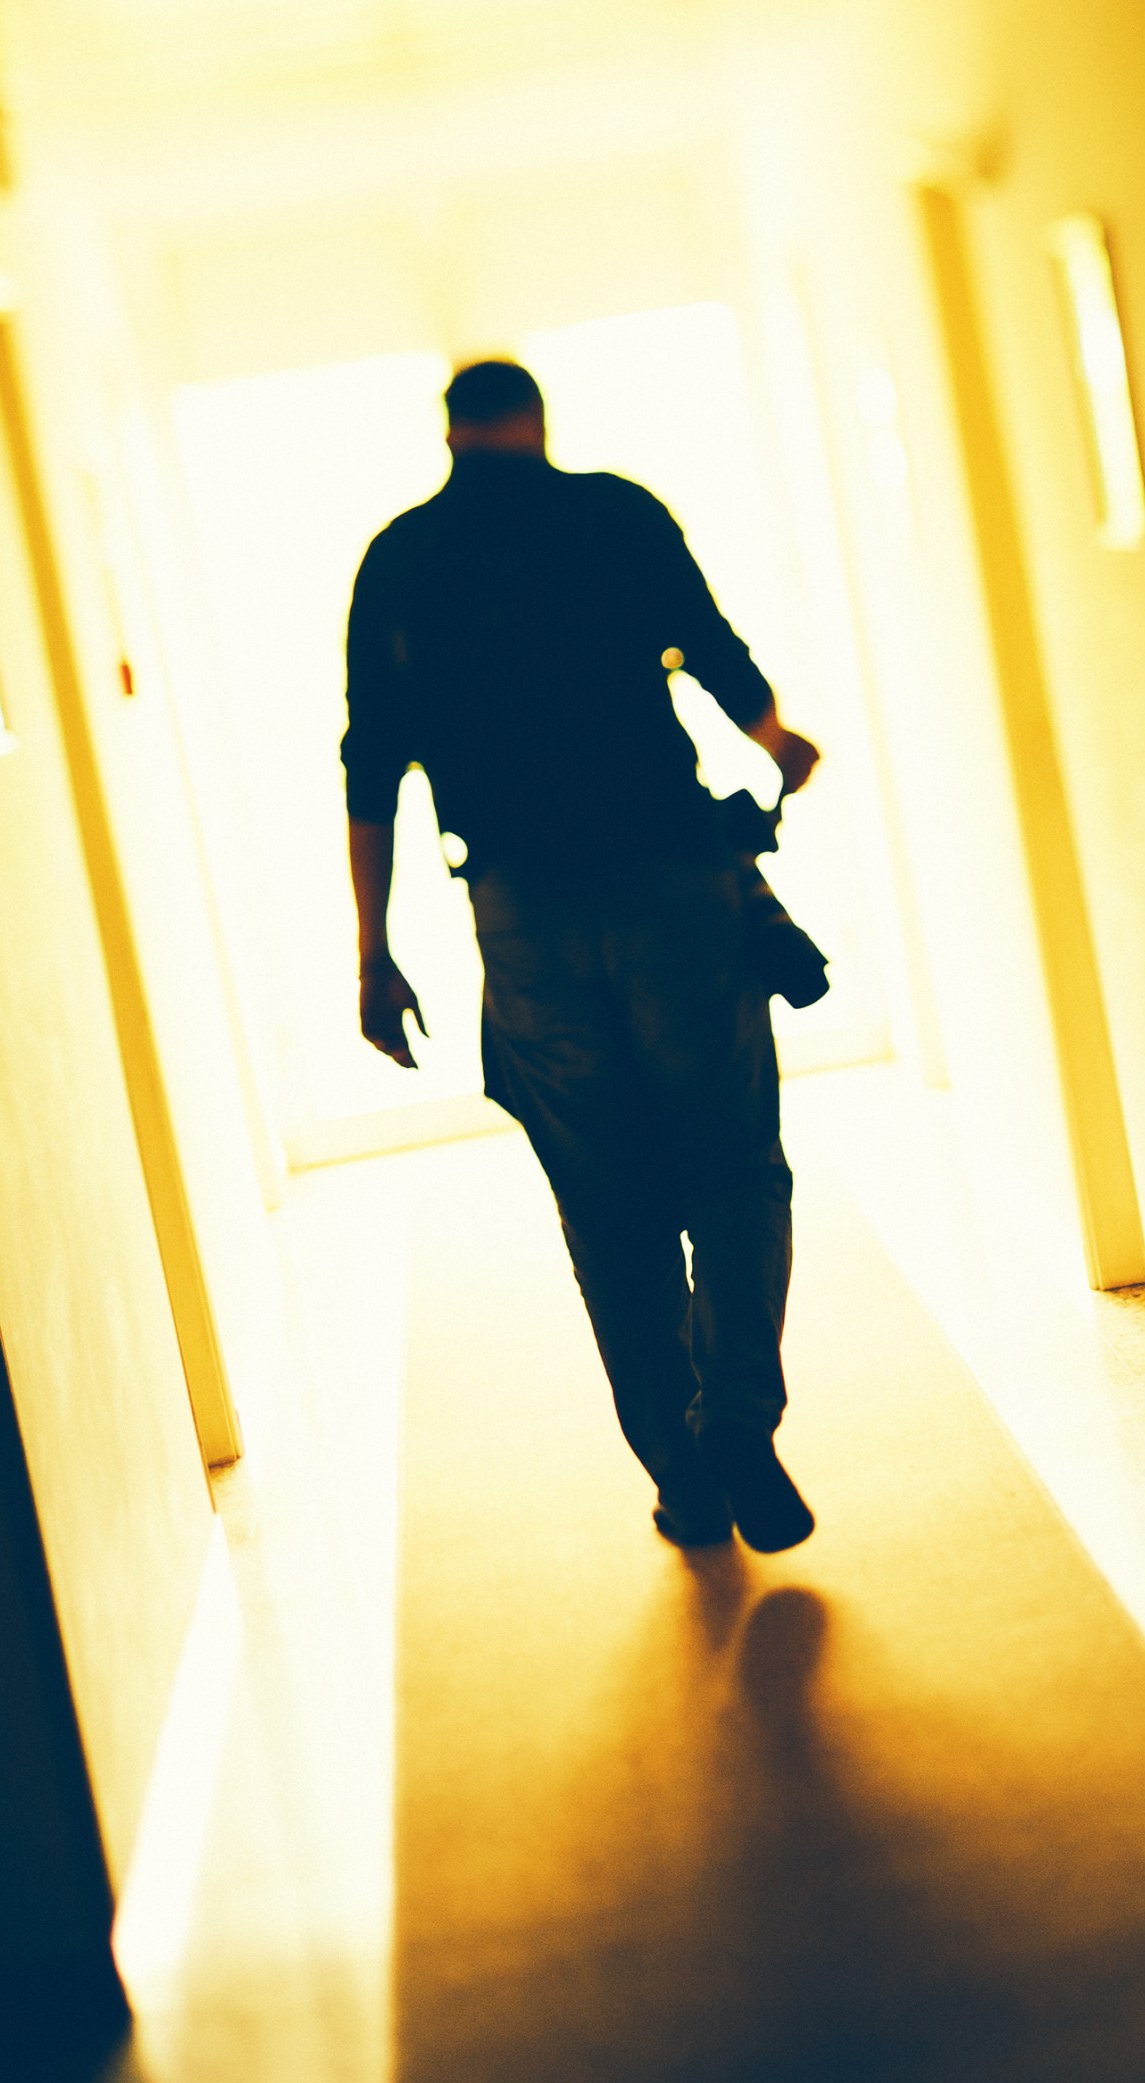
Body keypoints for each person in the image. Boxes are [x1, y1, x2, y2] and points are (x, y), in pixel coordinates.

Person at [340, 357, 823, 1552]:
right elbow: (711, 649)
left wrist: (373, 948)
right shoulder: (617, 514)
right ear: (536, 422)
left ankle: (683, 1473)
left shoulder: (399, 561)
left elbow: (369, 764)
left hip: (523, 914)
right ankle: (740, 1424)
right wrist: (777, 743)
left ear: (449, 435)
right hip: (674, 887)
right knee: (735, 1171)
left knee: (607, 1208)